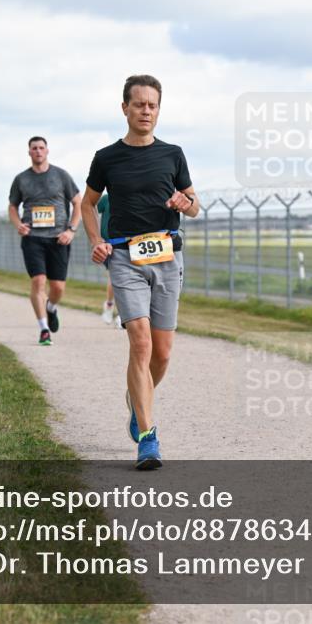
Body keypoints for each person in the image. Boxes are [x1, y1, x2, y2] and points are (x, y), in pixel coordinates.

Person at [81, 74, 199, 470]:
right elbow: (87, 204)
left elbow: (195, 205)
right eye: (139, 104)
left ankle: (137, 401)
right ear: (125, 108)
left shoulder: (173, 154)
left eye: (153, 105)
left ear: (158, 110)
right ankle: (148, 438)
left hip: (167, 255)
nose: (146, 111)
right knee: (141, 343)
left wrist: (184, 203)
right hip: (125, 257)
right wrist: (96, 240)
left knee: (162, 354)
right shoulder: (106, 158)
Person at [8, 136, 82, 345]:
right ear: (29, 152)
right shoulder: (21, 179)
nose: (38, 151)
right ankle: (44, 330)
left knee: (58, 288)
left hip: (59, 238)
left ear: (47, 151)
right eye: (34, 148)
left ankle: (51, 307)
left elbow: (77, 202)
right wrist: (18, 224)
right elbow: (12, 206)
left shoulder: (61, 175)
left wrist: (71, 230)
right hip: (33, 238)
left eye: (41, 148)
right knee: (38, 281)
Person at [97, 193, 122, 328]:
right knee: (115, 277)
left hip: (129, 242)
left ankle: (123, 315)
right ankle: (109, 305)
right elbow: (93, 210)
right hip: (109, 243)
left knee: (128, 279)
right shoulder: (106, 198)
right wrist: (96, 237)